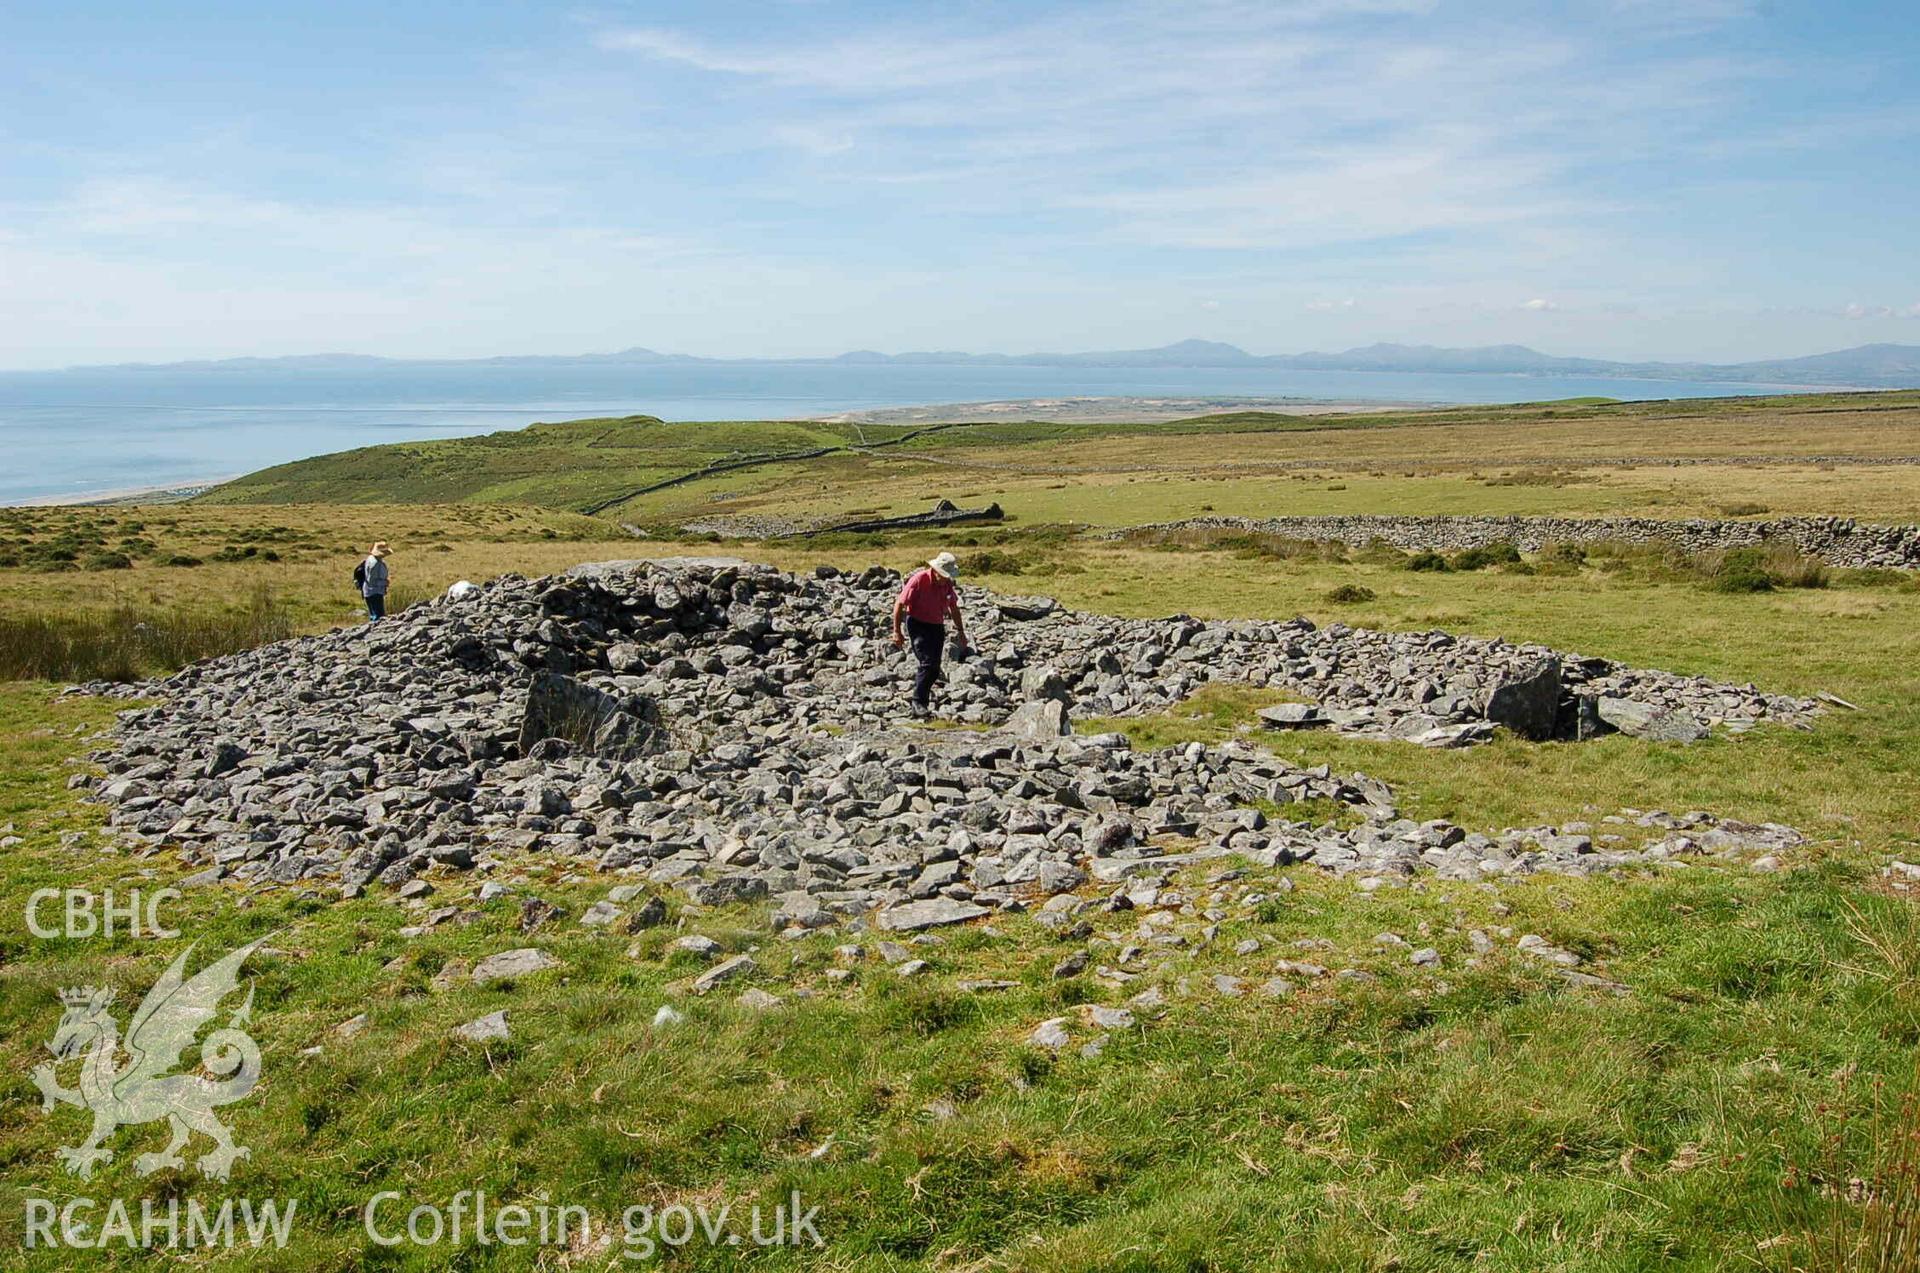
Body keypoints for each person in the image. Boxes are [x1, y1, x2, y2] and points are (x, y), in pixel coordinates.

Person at [891, 551, 968, 718]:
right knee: (927, 663)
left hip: (937, 626)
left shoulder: (947, 584)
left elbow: (954, 608)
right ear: (935, 570)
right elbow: (899, 604)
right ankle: (918, 703)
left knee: (934, 668)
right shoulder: (918, 580)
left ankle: (922, 702)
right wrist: (897, 631)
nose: (946, 578)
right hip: (918, 624)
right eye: (944, 575)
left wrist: (961, 631)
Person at [358, 541, 391, 622]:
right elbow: (372, 581)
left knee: (374, 614)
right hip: (374, 592)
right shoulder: (375, 563)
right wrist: (385, 582)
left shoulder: (370, 559)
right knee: (378, 615)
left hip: (369, 591)